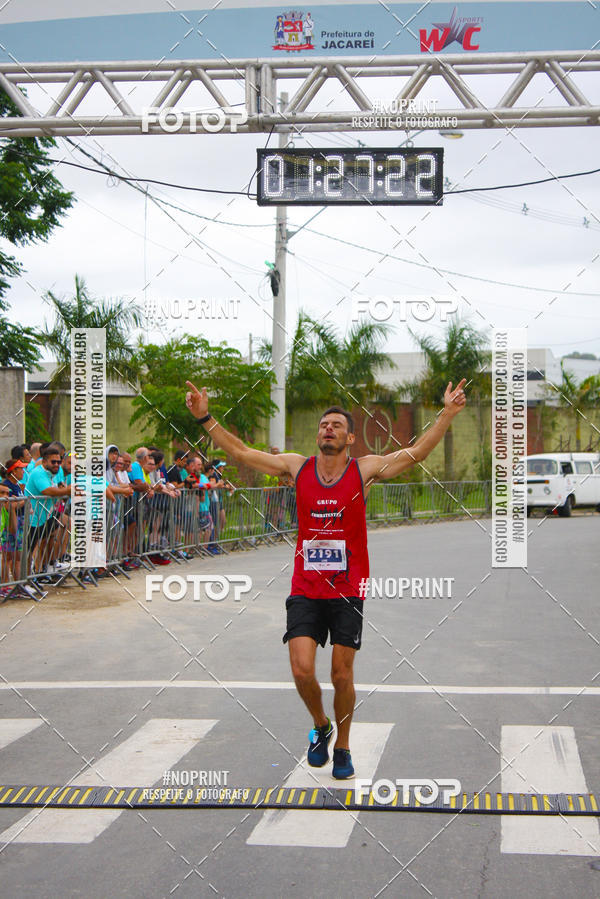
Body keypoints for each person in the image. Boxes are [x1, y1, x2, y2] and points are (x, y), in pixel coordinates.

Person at [185, 377, 467, 779]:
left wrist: (448, 413)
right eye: (323, 425)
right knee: (302, 669)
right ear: (317, 435)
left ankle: (344, 745)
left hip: (348, 588)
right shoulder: (296, 467)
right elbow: (243, 452)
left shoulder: (364, 470)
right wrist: (205, 418)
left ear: (350, 438)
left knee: (341, 673)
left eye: (336, 425)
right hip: (306, 586)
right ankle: (321, 725)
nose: (328, 429)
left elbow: (416, 453)